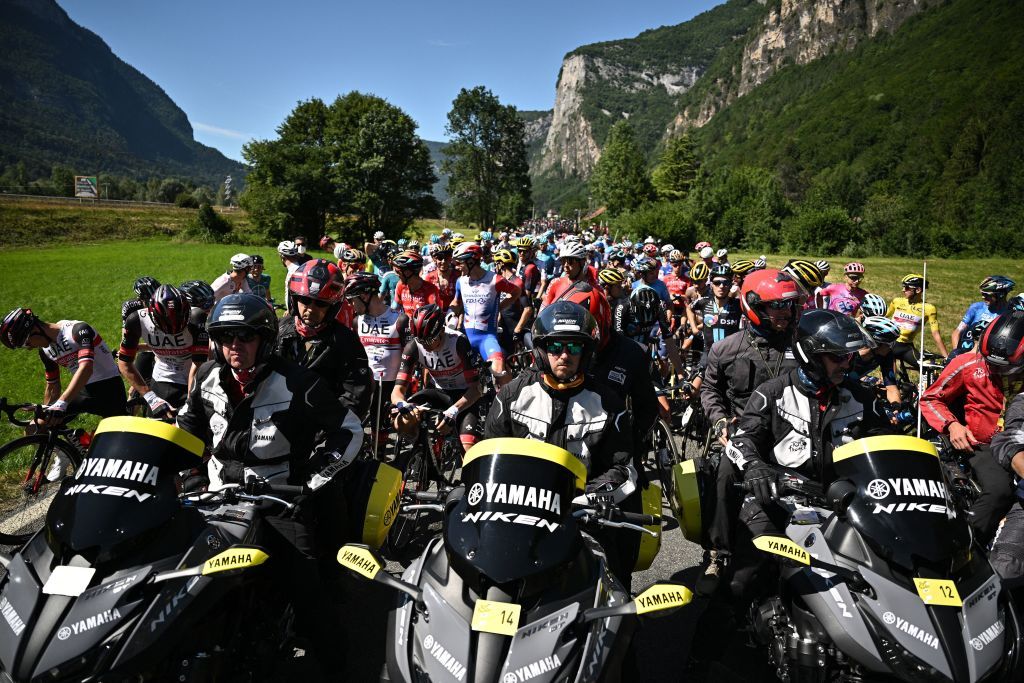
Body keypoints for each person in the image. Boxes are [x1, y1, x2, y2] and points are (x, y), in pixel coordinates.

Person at [176, 293, 362, 673]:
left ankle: (340, 666)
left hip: (277, 499)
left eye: (244, 336)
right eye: (225, 337)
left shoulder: (298, 382)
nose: (234, 346)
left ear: (265, 339)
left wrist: (314, 480)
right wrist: (189, 474)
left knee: (307, 589)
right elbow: (186, 428)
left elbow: (349, 429)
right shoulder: (208, 376)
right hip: (214, 494)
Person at [725, 311, 892, 587]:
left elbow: (887, 442)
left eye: (849, 356)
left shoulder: (862, 397)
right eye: (837, 357)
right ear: (811, 357)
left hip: (848, 506)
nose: (846, 364)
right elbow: (742, 440)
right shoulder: (773, 393)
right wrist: (755, 467)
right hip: (779, 502)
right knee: (744, 579)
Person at [484, 301, 635, 581]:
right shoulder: (512, 396)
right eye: (555, 347)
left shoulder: (609, 404)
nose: (564, 355)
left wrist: (588, 497)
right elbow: (489, 453)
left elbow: (623, 468)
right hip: (514, 511)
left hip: (580, 516)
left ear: (586, 352)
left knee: (613, 586)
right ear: (542, 350)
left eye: (573, 347)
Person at [698, 269, 802, 590]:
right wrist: (719, 420)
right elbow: (710, 390)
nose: (784, 313)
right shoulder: (725, 350)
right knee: (724, 476)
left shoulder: (804, 346)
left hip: (794, 436)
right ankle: (719, 551)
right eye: (776, 307)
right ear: (753, 306)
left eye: (789, 305)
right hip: (742, 439)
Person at [920, 311, 1024, 545]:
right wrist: (952, 425)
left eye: (1006, 368)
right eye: (990, 364)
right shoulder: (966, 364)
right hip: (983, 445)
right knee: (999, 492)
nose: (996, 372)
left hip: (1021, 441)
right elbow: (931, 399)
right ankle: (966, 547)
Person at [275, 259, 372, 419]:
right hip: (276, 423)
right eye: (305, 300)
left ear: (333, 306)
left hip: (321, 427)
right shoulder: (277, 330)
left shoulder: (347, 342)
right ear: (294, 298)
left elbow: (355, 396)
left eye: (320, 303)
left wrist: (327, 431)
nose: (311, 308)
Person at [1, 307, 126, 424]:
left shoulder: (77, 330)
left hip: (109, 388)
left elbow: (86, 368)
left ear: (35, 330)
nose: (29, 348)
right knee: (36, 426)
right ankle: (58, 448)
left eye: (26, 343)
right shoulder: (45, 351)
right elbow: (52, 385)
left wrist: (61, 402)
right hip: (82, 391)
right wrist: (47, 410)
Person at [390, 304, 483, 453]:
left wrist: (453, 411)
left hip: (464, 394)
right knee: (401, 421)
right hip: (438, 391)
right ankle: (420, 452)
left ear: (441, 331)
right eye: (420, 340)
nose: (424, 345)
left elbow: (477, 389)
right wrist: (402, 404)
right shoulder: (414, 346)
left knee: (468, 448)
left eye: (428, 340)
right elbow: (397, 390)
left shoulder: (458, 342)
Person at [118, 284, 209, 415]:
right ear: (152, 315)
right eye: (166, 327)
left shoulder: (197, 317)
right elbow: (124, 363)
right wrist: (151, 398)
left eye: (180, 326)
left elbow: (198, 364)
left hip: (193, 376)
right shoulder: (136, 320)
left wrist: (190, 403)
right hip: (162, 376)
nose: (173, 332)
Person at [345, 272, 408, 440]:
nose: (350, 305)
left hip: (390, 385)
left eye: (352, 300)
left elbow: (411, 357)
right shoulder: (357, 321)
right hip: (365, 383)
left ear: (365, 296)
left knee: (381, 431)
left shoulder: (399, 320)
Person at [450, 242, 521, 386]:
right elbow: (456, 303)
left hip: (487, 338)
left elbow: (516, 292)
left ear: (471, 261)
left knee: (499, 369)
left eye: (459, 263)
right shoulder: (460, 282)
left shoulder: (495, 280)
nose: (456, 267)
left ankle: (509, 401)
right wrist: (450, 314)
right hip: (465, 339)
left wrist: (500, 307)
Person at [688, 264, 743, 369]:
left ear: (731, 285)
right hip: (709, 354)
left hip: (732, 356)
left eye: (725, 283)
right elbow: (689, 308)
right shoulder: (704, 302)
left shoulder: (738, 304)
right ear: (711, 285)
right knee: (696, 383)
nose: (721, 286)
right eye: (717, 283)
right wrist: (694, 329)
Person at [887, 273, 948, 363]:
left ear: (918, 290)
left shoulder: (928, 308)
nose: (903, 290)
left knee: (927, 368)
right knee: (889, 365)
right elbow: (883, 316)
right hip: (890, 344)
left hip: (906, 347)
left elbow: (935, 334)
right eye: (903, 287)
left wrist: (946, 357)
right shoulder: (897, 301)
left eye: (907, 288)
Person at [950, 276, 1015, 357]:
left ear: (1000, 295)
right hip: (968, 353)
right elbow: (956, 333)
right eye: (982, 294)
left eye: (986, 294)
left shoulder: (1010, 313)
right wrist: (957, 355)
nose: (983, 297)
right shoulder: (976, 308)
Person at [492, 248, 534, 355]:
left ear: (501, 264)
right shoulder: (500, 281)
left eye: (496, 264)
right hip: (503, 327)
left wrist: (518, 329)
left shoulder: (517, 282)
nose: (494, 267)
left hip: (514, 327)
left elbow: (528, 309)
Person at [540, 242, 597, 307]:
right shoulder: (555, 283)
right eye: (563, 261)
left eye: (570, 261)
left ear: (582, 262)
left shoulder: (593, 287)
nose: (565, 265)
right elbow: (543, 309)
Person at [391, 250, 442, 318]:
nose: (396, 274)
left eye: (398, 271)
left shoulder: (430, 290)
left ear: (408, 272)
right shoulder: (400, 285)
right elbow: (394, 308)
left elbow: (436, 316)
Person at [424, 243, 457, 310]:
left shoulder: (457, 276)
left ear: (450, 259)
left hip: (454, 312)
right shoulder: (429, 277)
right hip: (435, 313)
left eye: (446, 258)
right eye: (440, 258)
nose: (443, 261)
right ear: (435, 260)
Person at [277, 240, 305, 305]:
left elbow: (293, 299)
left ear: (282, 256)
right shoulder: (300, 269)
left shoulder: (293, 273)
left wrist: (291, 312)